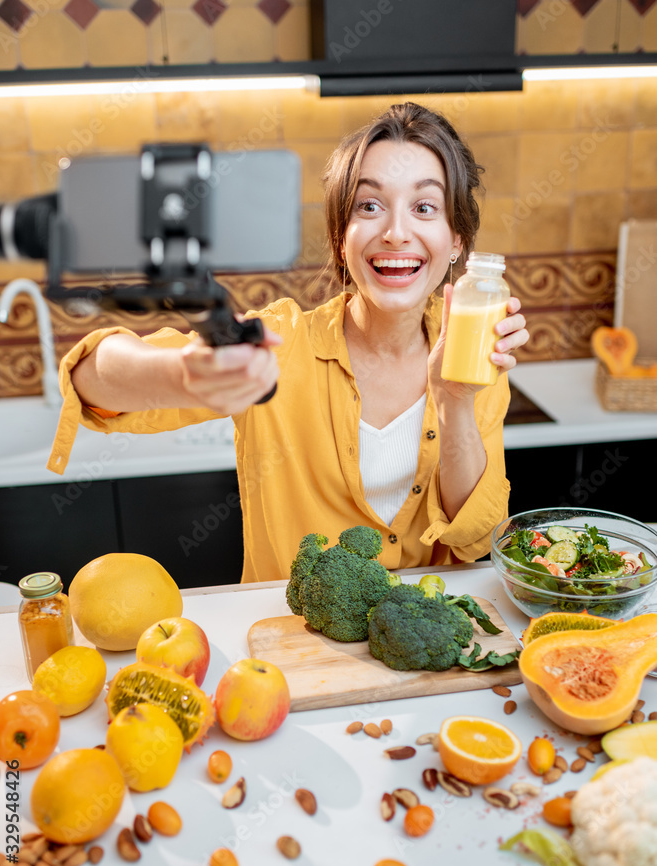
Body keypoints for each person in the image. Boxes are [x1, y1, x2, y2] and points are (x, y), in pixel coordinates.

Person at [48, 101, 529, 584]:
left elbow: (475, 541)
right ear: (341, 237)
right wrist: (183, 375)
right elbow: (91, 378)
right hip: (287, 648)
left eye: (424, 207)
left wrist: (454, 401)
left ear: (457, 240)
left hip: (424, 652)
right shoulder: (279, 345)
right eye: (369, 206)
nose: (396, 233)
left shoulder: (474, 357)